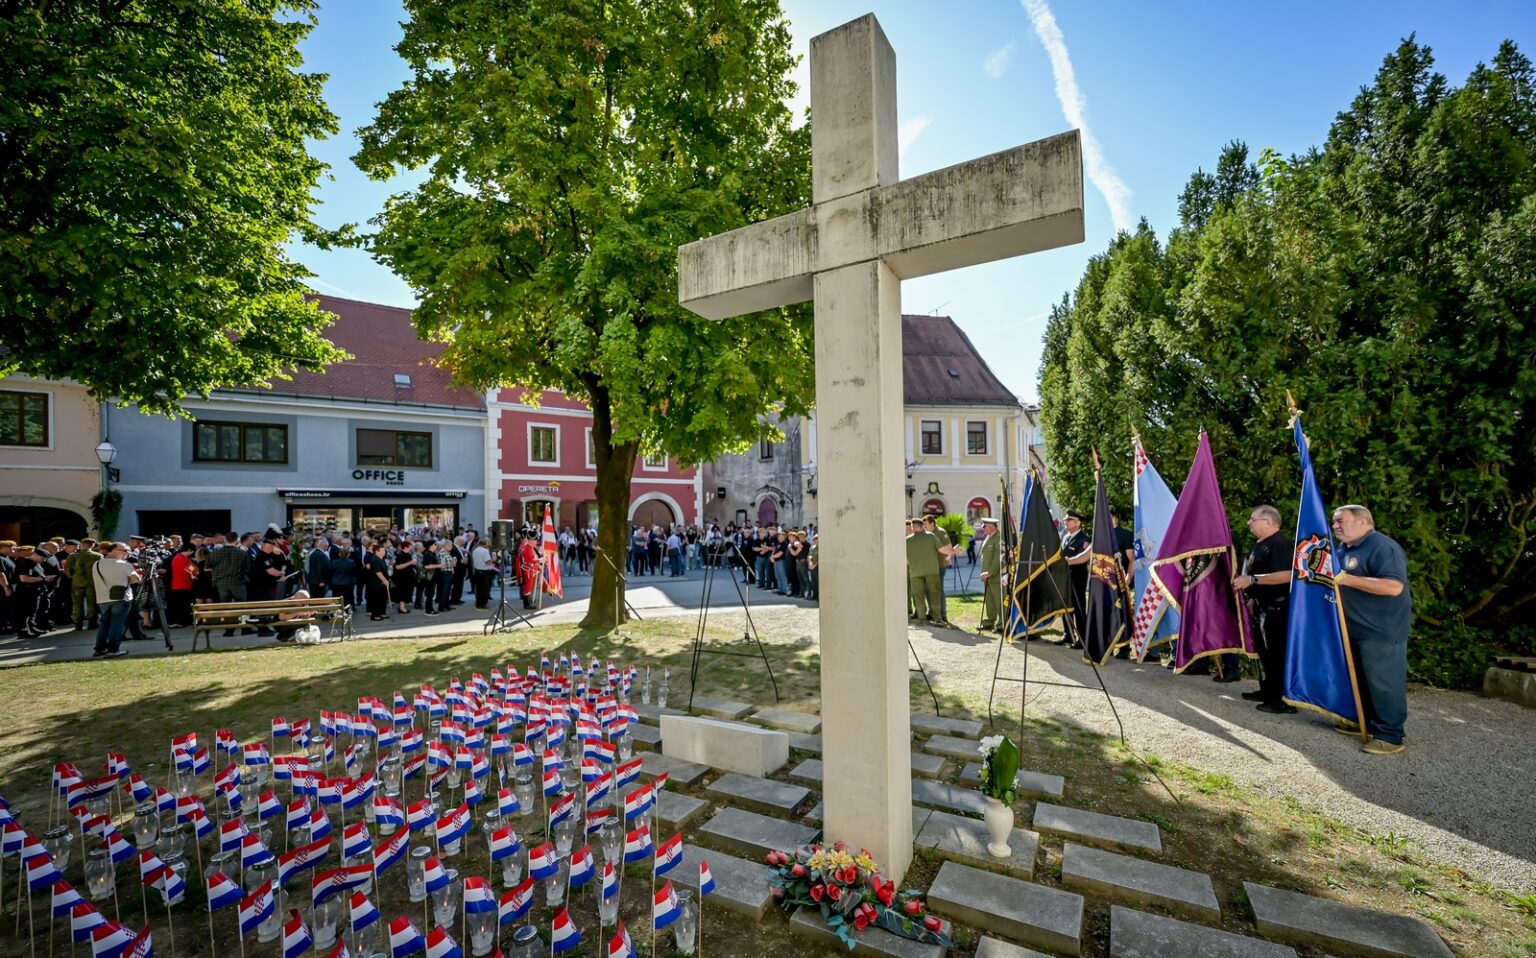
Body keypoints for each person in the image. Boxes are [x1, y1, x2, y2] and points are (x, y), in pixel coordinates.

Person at [1332, 504, 1413, 756]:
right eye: (1334, 522)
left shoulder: (1383, 547)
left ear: (1363, 522)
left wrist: (1346, 579)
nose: (1335, 526)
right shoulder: (1345, 549)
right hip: (1353, 628)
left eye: (1340, 521)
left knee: (1383, 682)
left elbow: (1393, 587)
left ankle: (1390, 735)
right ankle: (1363, 722)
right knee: (1361, 679)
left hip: (1380, 629)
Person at [1233, 505, 1295, 713]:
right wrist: (1252, 599)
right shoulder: (1259, 544)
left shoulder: (1280, 543)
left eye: (1253, 519)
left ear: (1269, 522)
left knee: (1275, 653)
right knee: (1264, 653)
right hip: (1260, 606)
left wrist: (1251, 579)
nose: (1249, 522)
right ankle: (1267, 690)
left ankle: (1280, 700)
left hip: (1276, 608)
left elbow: (1287, 575)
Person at [90, 541, 138, 657]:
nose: (128, 552)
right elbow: (137, 579)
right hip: (121, 598)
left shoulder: (97, 563)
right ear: (114, 551)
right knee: (117, 624)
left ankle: (99, 648)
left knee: (104, 623)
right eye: (125, 550)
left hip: (103, 598)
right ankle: (113, 649)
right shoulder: (124, 564)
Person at [906, 517, 944, 624]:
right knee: (934, 594)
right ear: (922, 526)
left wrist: (912, 564)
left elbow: (905, 559)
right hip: (932, 571)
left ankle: (922, 618)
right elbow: (941, 549)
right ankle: (937, 618)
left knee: (918, 595)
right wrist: (952, 551)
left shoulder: (907, 540)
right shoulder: (931, 536)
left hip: (915, 572)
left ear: (913, 527)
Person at [1061, 510, 1091, 647]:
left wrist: (1068, 560)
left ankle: (1082, 638)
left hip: (1077, 577)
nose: (1065, 522)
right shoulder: (1065, 537)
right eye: (1065, 520)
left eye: (1069, 520)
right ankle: (1068, 634)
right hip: (1065, 577)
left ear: (1078, 523)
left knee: (1078, 608)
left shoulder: (1084, 540)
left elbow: (1082, 558)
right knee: (1065, 606)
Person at [66, 538, 101, 630]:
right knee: (92, 603)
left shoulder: (72, 556)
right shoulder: (98, 556)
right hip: (92, 582)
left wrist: (73, 576)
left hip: (77, 582)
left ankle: (78, 623)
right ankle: (92, 622)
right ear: (92, 546)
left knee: (77, 603)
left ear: (81, 544)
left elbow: (68, 571)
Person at [977, 516, 1003, 632]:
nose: (983, 529)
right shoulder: (989, 537)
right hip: (987, 576)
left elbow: (999, 558)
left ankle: (1001, 624)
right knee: (989, 601)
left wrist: (990, 572)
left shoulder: (998, 538)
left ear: (992, 527)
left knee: (999, 601)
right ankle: (989, 621)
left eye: (985, 526)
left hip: (995, 576)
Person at [365, 542, 392, 620]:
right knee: (376, 599)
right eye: (383, 550)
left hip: (382, 583)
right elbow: (378, 572)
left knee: (383, 599)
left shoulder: (382, 559)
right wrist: (384, 580)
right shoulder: (375, 560)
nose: (384, 552)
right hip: (376, 583)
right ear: (377, 551)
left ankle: (382, 613)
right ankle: (375, 615)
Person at [470, 537, 496, 609]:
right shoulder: (484, 551)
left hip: (477, 571)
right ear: (485, 544)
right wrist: (493, 559)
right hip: (484, 572)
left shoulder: (475, 550)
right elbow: (487, 562)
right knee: (484, 589)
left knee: (479, 589)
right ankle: (482, 604)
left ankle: (478, 603)